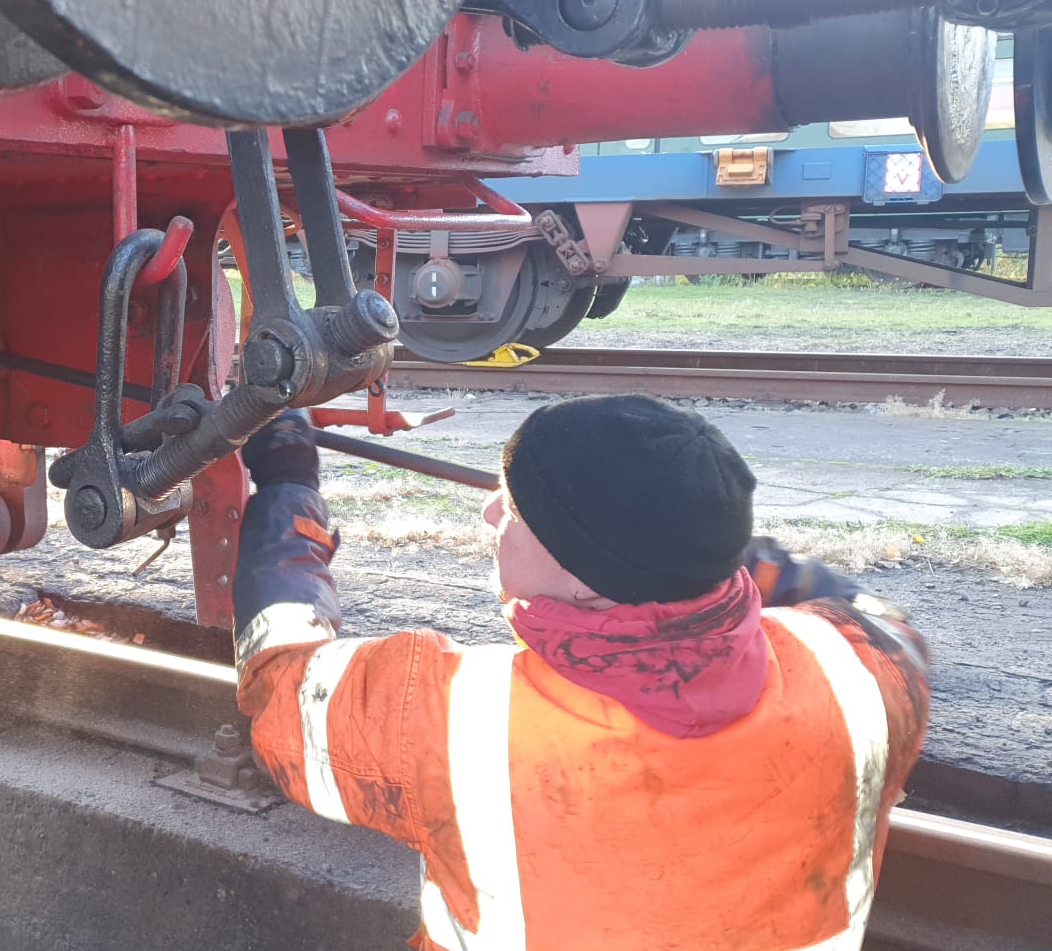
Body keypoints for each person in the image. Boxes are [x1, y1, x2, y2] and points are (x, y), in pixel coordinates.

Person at [231, 395, 930, 951]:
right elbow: (877, 617)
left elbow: (281, 687)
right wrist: (703, 548)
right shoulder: (862, 674)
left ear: (584, 581)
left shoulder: (447, 722)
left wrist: (288, 487)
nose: (490, 511)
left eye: (514, 509)